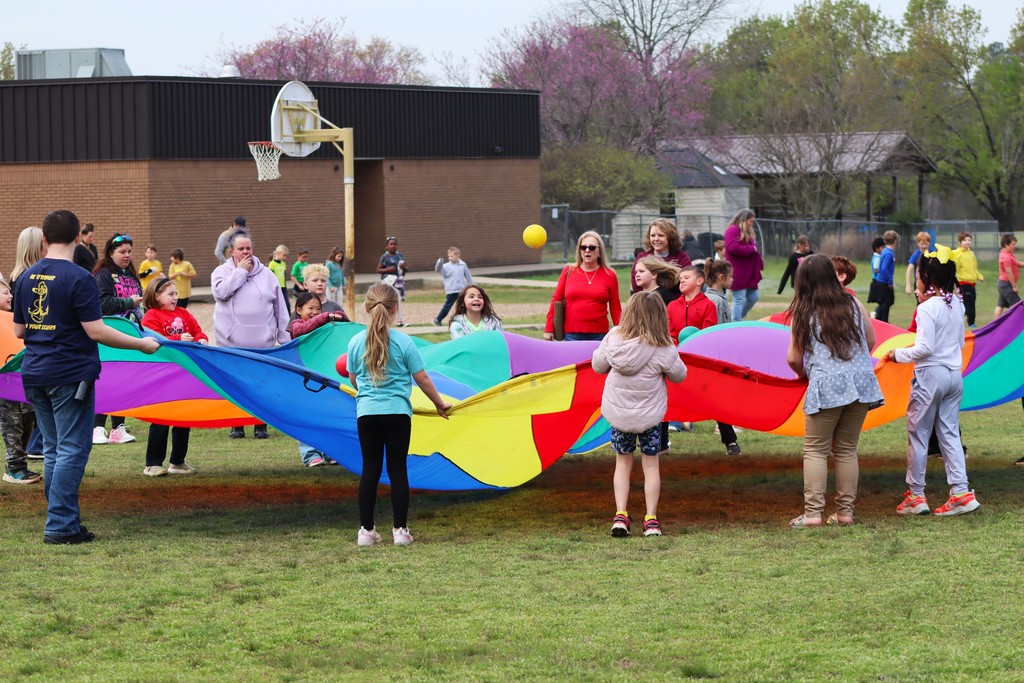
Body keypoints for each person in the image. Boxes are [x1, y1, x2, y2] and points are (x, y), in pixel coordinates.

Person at [13, 209, 159, 544]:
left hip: (35, 373)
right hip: (69, 375)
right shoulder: (78, 278)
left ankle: (63, 520)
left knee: (53, 449)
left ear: (45, 239)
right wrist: (141, 345)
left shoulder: (27, 277)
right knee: (71, 450)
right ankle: (61, 525)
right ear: (79, 237)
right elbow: (96, 331)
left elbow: (20, 329)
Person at [346, 283, 451, 546]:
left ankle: (366, 532)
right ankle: (400, 531)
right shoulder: (404, 342)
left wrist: (368, 396)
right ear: (395, 309)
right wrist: (439, 404)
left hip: (367, 414)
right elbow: (423, 378)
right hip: (398, 415)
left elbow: (353, 378)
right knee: (397, 469)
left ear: (366, 308)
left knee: (370, 469)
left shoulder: (356, 342)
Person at [786, 254, 883, 528]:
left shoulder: (804, 311)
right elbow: (871, 339)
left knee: (816, 450)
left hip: (826, 384)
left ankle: (813, 514)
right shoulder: (853, 302)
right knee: (847, 450)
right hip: (861, 384)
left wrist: (805, 374)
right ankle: (845, 513)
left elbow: (793, 357)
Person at [887, 247, 980, 517]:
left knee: (918, 434)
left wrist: (897, 355)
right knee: (949, 433)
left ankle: (915, 496)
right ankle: (961, 492)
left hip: (931, 375)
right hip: (954, 375)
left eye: (918, 276)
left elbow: (924, 348)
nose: (916, 282)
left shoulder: (927, 308)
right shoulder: (956, 304)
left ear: (926, 277)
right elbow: (960, 342)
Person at [593, 291, 687, 538]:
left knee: (622, 463)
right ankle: (651, 519)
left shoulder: (613, 338)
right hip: (650, 417)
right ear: (659, 316)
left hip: (620, 415)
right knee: (651, 464)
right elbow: (680, 375)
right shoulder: (663, 346)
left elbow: (597, 366)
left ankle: (621, 515)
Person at [211, 234, 289, 440]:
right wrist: (240, 273)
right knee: (236, 384)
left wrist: (284, 338)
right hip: (232, 342)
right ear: (231, 252)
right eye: (241, 249)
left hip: (262, 343)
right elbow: (221, 293)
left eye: (248, 248)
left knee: (260, 385)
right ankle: (237, 424)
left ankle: (259, 424)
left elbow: (280, 308)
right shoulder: (221, 272)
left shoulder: (268, 275)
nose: (246, 252)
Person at [140, 278, 207, 477]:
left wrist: (201, 339)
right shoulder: (151, 316)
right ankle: (152, 464)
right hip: (162, 375)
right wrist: (178, 339)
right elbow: (152, 340)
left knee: (183, 418)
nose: (175, 297)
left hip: (183, 373)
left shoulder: (184, 313)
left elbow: (197, 330)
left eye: (176, 294)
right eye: (170, 294)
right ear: (156, 296)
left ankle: (177, 461)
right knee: (161, 419)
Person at [92, 232, 144, 445]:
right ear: (110, 253)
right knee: (106, 380)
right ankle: (97, 428)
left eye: (129, 251)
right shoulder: (103, 275)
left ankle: (118, 428)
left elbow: (139, 303)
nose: (127, 255)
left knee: (122, 382)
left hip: (129, 333)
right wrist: (127, 304)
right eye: (122, 251)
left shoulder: (131, 275)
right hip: (109, 333)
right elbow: (102, 303)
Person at [289, 292, 346, 467]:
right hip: (304, 379)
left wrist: (338, 316)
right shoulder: (296, 324)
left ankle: (331, 452)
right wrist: (325, 316)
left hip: (324, 377)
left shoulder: (323, 324)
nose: (315, 312)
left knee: (328, 414)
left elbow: (345, 322)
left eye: (318, 309)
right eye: (310, 308)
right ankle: (310, 454)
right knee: (307, 415)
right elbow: (302, 330)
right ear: (299, 310)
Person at [9, 227, 47, 460]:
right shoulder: (28, 279)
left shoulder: (19, 277)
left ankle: (35, 444)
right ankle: (34, 445)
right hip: (29, 349)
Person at [545, 231, 621, 341]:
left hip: (600, 335)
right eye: (583, 247)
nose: (587, 250)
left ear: (599, 252)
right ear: (579, 251)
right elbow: (556, 300)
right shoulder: (569, 271)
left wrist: (621, 331)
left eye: (592, 247)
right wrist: (549, 328)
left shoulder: (610, 275)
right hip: (572, 334)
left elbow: (615, 307)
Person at [0, 279, 41, 485]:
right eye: (4, 293)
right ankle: (14, 466)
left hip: (22, 382)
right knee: (12, 424)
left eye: (10, 292)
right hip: (5, 388)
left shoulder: (14, 320)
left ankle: (20, 464)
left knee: (28, 420)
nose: (10, 296)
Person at [703, 259, 743, 455]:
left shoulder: (716, 297)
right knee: (720, 395)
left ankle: (728, 432)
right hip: (717, 357)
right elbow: (717, 330)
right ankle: (726, 432)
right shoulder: (716, 301)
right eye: (730, 276)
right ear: (721, 278)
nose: (733, 280)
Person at [629, 218, 692, 295]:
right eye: (652, 235)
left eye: (661, 235)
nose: (656, 239)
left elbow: (687, 282)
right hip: (647, 301)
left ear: (670, 237)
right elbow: (636, 284)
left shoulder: (681, 257)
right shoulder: (642, 257)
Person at [723, 208, 764, 321]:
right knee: (739, 299)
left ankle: (738, 317)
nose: (752, 224)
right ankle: (735, 323)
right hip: (738, 271)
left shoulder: (747, 232)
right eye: (750, 221)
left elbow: (754, 250)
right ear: (743, 220)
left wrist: (759, 262)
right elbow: (732, 247)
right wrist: (751, 248)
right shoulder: (732, 230)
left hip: (749, 272)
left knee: (753, 297)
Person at [667, 266, 716, 345]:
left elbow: (708, 333)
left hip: (699, 351)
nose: (682, 281)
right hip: (677, 353)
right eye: (680, 279)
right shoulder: (672, 306)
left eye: (686, 278)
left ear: (699, 281)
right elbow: (670, 333)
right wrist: (677, 349)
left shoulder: (708, 305)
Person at [434, 247, 474, 326]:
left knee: (464, 305)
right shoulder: (445, 266)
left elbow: (468, 275)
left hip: (461, 290)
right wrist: (439, 263)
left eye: (452, 256)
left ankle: (466, 321)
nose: (450, 258)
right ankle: (438, 319)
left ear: (457, 256)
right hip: (451, 290)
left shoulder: (463, 265)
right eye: (449, 256)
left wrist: (473, 285)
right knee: (448, 306)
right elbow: (438, 270)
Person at [952, 231, 983, 328]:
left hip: (972, 283)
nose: (967, 242)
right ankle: (970, 323)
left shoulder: (971, 254)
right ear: (960, 242)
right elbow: (955, 268)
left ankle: (971, 322)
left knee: (971, 303)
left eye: (969, 240)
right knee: (967, 304)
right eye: (965, 240)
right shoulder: (957, 254)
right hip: (963, 283)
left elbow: (974, 268)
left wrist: (979, 276)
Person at [376, 237, 408, 327]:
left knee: (398, 300)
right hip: (388, 281)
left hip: (398, 281)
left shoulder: (400, 256)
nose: (393, 246)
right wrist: (388, 269)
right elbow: (378, 269)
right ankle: (382, 321)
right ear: (387, 246)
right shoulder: (385, 257)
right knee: (386, 300)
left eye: (395, 244)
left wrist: (403, 267)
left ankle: (400, 320)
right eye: (391, 244)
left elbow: (406, 269)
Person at [994, 233, 1023, 318]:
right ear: (1006, 244)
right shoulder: (1005, 256)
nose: (1014, 246)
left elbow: (1018, 264)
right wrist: (1014, 286)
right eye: (1013, 244)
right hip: (1005, 284)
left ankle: (996, 324)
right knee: (1018, 305)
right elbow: (1009, 272)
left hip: (1005, 284)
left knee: (1001, 305)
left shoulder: (1010, 254)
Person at [874, 230, 898, 322]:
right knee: (888, 301)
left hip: (881, 281)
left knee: (888, 301)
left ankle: (882, 320)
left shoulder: (884, 251)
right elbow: (884, 268)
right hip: (884, 282)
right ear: (895, 241)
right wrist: (890, 282)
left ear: (884, 241)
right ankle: (877, 314)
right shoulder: (888, 253)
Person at [905, 231, 932, 295]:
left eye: (926, 244)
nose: (924, 246)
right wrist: (908, 285)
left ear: (929, 243)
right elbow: (909, 270)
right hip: (919, 283)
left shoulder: (933, 254)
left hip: (931, 282)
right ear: (918, 243)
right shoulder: (916, 255)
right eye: (922, 244)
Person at [268, 244, 290, 313]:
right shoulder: (272, 264)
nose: (285, 257)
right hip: (275, 287)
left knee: (287, 305)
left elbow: (284, 276)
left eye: (286, 256)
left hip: (283, 287)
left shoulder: (283, 264)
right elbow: (270, 277)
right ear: (278, 253)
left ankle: (288, 320)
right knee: (277, 305)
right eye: (284, 255)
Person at [866, 237, 886, 311]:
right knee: (882, 302)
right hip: (877, 281)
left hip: (877, 281)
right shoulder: (877, 258)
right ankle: (875, 314)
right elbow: (876, 270)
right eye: (883, 247)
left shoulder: (876, 256)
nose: (884, 249)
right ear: (877, 248)